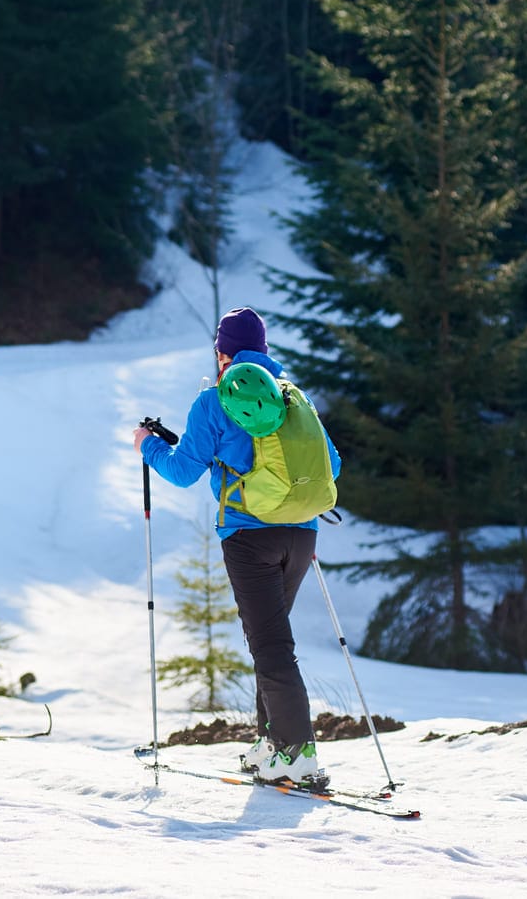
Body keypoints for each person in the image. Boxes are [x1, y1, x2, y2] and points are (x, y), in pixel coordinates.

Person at [133, 307, 341, 785]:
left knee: (270, 644)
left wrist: (147, 444)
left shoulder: (213, 401)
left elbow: (182, 472)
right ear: (263, 350)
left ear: (221, 353)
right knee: (269, 639)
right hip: (302, 532)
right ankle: (272, 742)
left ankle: (296, 753)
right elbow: (332, 465)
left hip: (249, 538)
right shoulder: (294, 398)